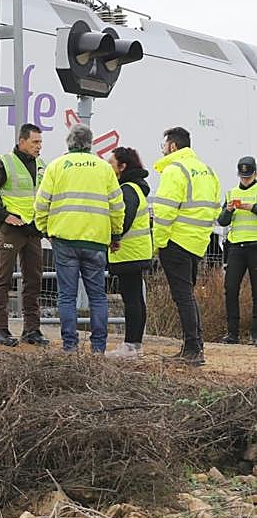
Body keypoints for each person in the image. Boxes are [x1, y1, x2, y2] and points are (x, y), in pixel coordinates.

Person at [33, 124, 124, 355]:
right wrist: (115, 233)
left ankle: (70, 346)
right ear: (90, 143)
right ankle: (98, 348)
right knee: (97, 297)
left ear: (69, 143)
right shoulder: (104, 168)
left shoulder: (56, 166)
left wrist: (45, 229)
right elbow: (117, 206)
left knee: (66, 296)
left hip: (64, 239)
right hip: (95, 241)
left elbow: (41, 204)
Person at [153, 126, 220, 366]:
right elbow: (214, 208)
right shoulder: (207, 170)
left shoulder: (174, 170)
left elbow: (163, 212)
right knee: (187, 296)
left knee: (183, 297)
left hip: (176, 241)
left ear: (172, 146)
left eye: (163, 146)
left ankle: (192, 349)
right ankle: (195, 346)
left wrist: (158, 243)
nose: (162, 150)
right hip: (197, 243)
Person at [0, 123, 48, 347]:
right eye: (35, 142)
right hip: (13, 230)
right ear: (22, 141)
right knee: (2, 280)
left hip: (33, 231)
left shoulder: (41, 165)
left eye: (40, 142)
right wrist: (3, 216)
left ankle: (32, 330)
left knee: (34, 280)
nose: (39, 147)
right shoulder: (5, 164)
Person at [104, 147, 153, 359]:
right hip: (137, 251)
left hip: (129, 252)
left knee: (131, 299)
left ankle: (131, 346)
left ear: (122, 167)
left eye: (111, 163)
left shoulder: (127, 190)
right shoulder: (136, 188)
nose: (108, 167)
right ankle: (135, 345)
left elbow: (124, 220)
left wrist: (114, 237)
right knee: (135, 299)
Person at [218, 156, 257, 344]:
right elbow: (222, 221)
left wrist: (253, 207)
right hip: (236, 248)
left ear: (255, 174)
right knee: (231, 288)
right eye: (242, 176)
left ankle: (255, 335)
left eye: (248, 177)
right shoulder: (231, 192)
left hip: (256, 247)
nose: (245, 180)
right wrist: (229, 210)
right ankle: (232, 333)